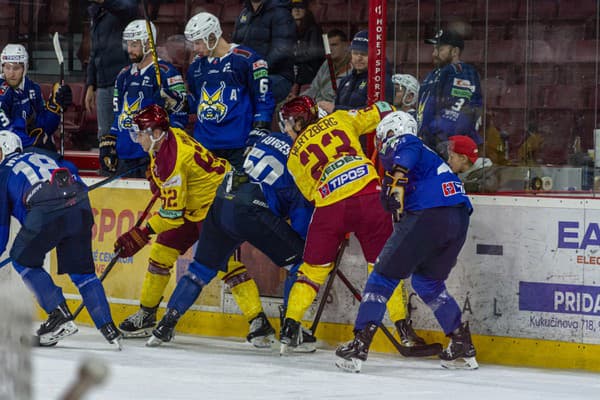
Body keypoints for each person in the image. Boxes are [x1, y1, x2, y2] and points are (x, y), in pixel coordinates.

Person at [146, 128, 315, 349]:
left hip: (223, 196)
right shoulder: (304, 158)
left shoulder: (267, 138)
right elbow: (301, 223)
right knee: (302, 262)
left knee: (200, 269)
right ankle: (291, 330)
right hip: (252, 208)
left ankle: (165, 326)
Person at [335, 111, 477, 372]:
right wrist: (395, 183)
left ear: (390, 131)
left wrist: (398, 177)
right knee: (428, 283)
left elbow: (405, 155)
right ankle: (461, 342)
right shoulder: (426, 158)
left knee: (382, 276)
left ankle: (359, 343)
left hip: (430, 212)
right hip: (458, 217)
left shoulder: (406, 143)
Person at [278, 96, 422, 353]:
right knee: (383, 266)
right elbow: (383, 110)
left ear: (300, 121)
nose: (287, 130)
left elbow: (312, 196)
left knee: (312, 272)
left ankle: (290, 327)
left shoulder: (293, 158)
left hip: (331, 207)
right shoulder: (340, 119)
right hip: (368, 194)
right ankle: (403, 328)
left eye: (289, 124)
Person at [0, 130, 122, 348]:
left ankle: (59, 315)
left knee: (21, 259)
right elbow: (72, 171)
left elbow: (1, 228)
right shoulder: (42, 154)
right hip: (80, 205)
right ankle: (109, 329)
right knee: (83, 274)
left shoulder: (3, 171)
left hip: (45, 211)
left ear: (6, 150)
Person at [114, 104, 227, 338]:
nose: (138, 139)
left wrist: (144, 232)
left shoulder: (172, 158)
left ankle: (258, 322)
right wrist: (155, 175)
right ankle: (146, 314)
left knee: (225, 264)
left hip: (217, 204)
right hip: (193, 207)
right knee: (161, 254)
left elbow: (173, 215)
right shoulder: (167, 137)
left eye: (141, 134)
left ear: (156, 133)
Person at [185, 12, 275, 171]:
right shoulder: (196, 67)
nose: (195, 48)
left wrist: (260, 128)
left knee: (240, 194)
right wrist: (177, 101)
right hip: (205, 145)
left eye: (198, 43)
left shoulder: (247, 59)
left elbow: (263, 98)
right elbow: (197, 103)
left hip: (238, 144)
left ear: (212, 37)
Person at [101, 19, 187, 177]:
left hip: (149, 156)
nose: (129, 49)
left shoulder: (166, 72)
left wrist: (163, 147)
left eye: (134, 45)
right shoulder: (123, 75)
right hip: (125, 155)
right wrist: (110, 143)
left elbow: (181, 114)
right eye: (128, 44)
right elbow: (119, 114)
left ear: (148, 45)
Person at [418, 29, 483, 158]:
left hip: (449, 149)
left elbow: (456, 115)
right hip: (429, 144)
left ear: (454, 51)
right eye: (434, 49)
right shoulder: (433, 74)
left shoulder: (461, 72)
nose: (434, 53)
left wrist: (434, 139)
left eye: (440, 49)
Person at [85, 0, 137, 156]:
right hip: (102, 83)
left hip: (124, 82)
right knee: (105, 133)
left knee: (125, 129)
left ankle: (126, 169)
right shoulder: (96, 12)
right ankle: (107, 167)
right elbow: (95, 51)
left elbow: (128, 8)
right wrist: (90, 84)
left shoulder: (123, 6)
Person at [0, 44, 72, 151]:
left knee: (69, 167)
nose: (11, 73)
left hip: (29, 148)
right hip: (8, 151)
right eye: (7, 67)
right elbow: (6, 131)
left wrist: (54, 107)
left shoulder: (32, 88)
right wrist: (34, 142)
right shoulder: (2, 92)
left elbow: (45, 127)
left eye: (16, 68)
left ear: (25, 68)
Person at [232, 0, 296, 103]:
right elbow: (235, 48)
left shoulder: (281, 13)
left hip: (278, 76)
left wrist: (255, 71)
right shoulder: (244, 13)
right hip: (250, 75)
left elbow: (281, 50)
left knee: (243, 93)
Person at [317, 30, 394, 114]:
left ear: (375, 55)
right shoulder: (345, 81)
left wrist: (336, 109)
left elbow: (377, 114)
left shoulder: (381, 81)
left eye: (364, 54)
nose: (358, 58)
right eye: (355, 53)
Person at [301, 28, 351, 103]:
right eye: (327, 46)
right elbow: (314, 88)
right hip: (316, 104)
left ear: (346, 45)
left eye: (334, 45)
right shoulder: (327, 63)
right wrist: (298, 99)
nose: (330, 49)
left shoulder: (354, 66)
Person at [290, 0, 324, 89]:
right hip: (297, 68)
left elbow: (313, 55)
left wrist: (292, 59)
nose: (297, 10)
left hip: (310, 70)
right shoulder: (289, 30)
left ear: (306, 10)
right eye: (294, 7)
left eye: (300, 7)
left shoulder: (314, 29)